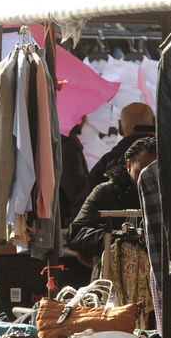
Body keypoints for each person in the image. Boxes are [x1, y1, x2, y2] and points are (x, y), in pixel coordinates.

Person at [67, 136, 157, 266]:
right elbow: (76, 233)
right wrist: (120, 239)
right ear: (128, 165)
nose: (149, 181)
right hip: (113, 277)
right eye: (142, 174)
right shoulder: (106, 192)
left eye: (156, 174)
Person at [83, 102, 155, 194]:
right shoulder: (167, 155)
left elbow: (82, 202)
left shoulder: (108, 162)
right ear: (154, 122)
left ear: (120, 127)